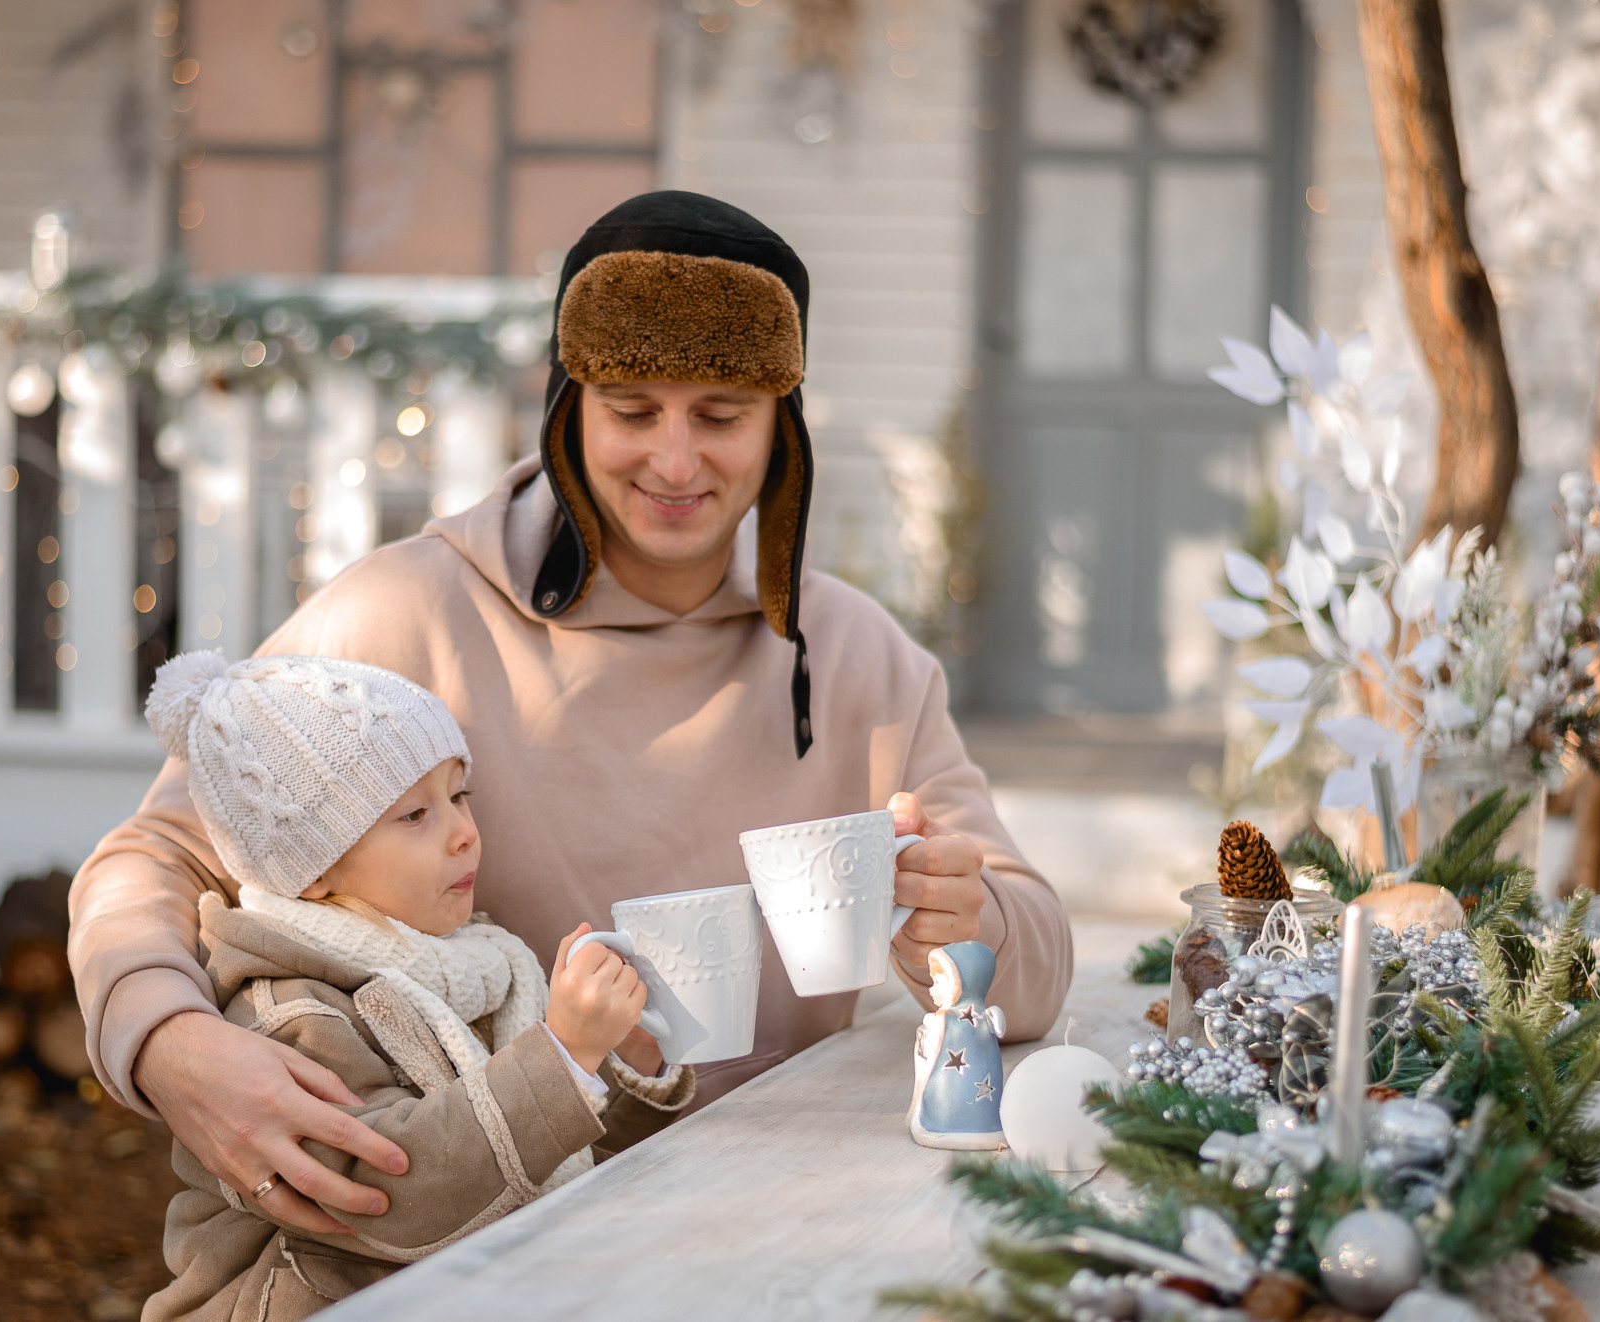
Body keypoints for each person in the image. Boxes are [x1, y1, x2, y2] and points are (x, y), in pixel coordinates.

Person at [70, 190, 1073, 1235]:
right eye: (632, 410)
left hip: (775, 1222)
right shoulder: (413, 609)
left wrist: (972, 922)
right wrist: (165, 1040)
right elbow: (156, 851)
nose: (675, 462)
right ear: (567, 408)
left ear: (784, 426)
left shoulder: (863, 659)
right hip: (470, 1240)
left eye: (722, 415)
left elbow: (1035, 957)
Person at [139, 651, 694, 1319]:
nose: (464, 833)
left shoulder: (475, 967)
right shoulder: (287, 1012)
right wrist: (563, 1056)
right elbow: (389, 1196)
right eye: (415, 815)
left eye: (459, 795)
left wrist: (621, 1063)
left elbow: (554, 1158)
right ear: (313, 871)